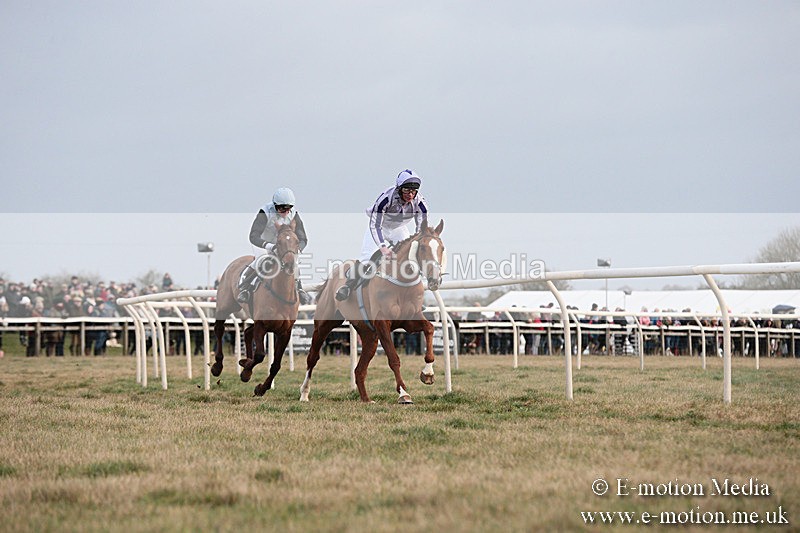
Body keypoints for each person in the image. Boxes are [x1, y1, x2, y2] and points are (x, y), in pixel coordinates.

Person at [335, 169, 430, 301]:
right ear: (399, 188)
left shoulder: (421, 204)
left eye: (413, 191)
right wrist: (383, 247)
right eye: (406, 190)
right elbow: (375, 226)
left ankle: (412, 294)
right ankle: (348, 286)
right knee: (367, 258)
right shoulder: (385, 199)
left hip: (399, 228)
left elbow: (421, 230)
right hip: (379, 227)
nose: (410, 195)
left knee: (410, 255)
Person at [237, 187, 311, 305]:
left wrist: (296, 249)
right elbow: (253, 236)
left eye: (288, 208)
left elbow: (303, 239)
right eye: (282, 208)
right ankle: (245, 287)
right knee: (262, 261)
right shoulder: (264, 212)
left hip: (283, 247)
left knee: (294, 262)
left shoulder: (294, 214)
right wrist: (269, 246)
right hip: (263, 244)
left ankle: (300, 288)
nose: (285, 212)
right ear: (275, 205)